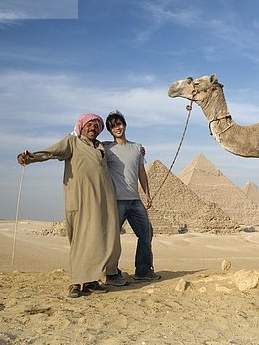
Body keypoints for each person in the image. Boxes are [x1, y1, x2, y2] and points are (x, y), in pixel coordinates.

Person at [17, 113, 125, 298]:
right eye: (89, 125)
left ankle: (92, 280)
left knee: (100, 240)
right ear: (81, 127)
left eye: (96, 126)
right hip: (82, 201)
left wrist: (139, 150)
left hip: (103, 202)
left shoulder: (101, 147)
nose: (92, 128)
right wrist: (30, 157)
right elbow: (51, 152)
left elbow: (124, 150)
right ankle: (76, 282)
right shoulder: (72, 142)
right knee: (81, 241)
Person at [104, 110, 160, 282]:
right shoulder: (106, 148)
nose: (117, 128)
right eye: (113, 126)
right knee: (111, 238)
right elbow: (88, 149)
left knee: (146, 234)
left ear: (125, 125)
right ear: (110, 130)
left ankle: (143, 271)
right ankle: (110, 273)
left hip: (135, 200)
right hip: (116, 201)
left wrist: (147, 194)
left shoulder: (137, 148)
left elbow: (141, 172)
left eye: (119, 124)